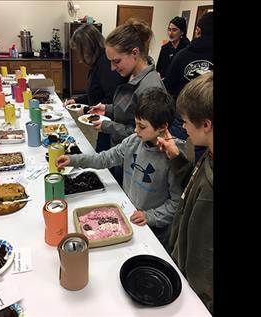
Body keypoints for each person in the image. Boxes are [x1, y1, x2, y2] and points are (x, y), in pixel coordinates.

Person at [57, 88, 189, 244]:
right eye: (135, 124)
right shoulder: (133, 142)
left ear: (162, 126)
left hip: (153, 231)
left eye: (142, 126)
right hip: (128, 213)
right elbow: (104, 158)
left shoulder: (174, 157)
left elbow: (177, 204)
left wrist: (150, 216)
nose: (135, 130)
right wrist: (74, 160)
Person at [157, 71, 213, 313]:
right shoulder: (209, 155)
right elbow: (193, 185)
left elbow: (203, 256)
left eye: (186, 121)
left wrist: (195, 302)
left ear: (207, 124)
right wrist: (176, 158)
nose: (184, 128)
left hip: (195, 296)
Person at [87, 18, 166, 186]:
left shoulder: (150, 88)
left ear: (135, 53)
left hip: (136, 161)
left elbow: (142, 134)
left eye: (116, 61)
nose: (112, 68)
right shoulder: (132, 74)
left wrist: (107, 126)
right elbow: (129, 111)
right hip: (123, 151)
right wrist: (107, 109)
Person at [63, 24, 128, 153]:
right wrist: (77, 101)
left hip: (112, 124)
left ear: (86, 47)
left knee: (105, 162)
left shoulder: (105, 63)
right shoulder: (98, 61)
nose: (78, 56)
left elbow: (112, 99)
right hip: (104, 121)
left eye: (78, 50)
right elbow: (96, 92)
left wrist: (88, 109)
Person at [163, 11, 213, 163]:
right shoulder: (172, 50)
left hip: (185, 115)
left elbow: (168, 86)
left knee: (175, 155)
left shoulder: (183, 54)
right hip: (207, 119)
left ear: (198, 30)